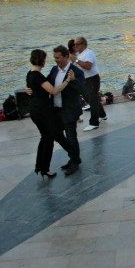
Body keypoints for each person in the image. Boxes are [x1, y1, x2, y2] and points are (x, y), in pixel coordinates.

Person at [27, 49, 75, 178]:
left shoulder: (30, 74)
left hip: (35, 111)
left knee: (47, 138)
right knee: (48, 140)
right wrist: (67, 80)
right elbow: (53, 91)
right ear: (41, 60)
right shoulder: (37, 76)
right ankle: (44, 168)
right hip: (43, 112)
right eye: (45, 58)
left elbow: (33, 89)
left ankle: (41, 167)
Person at [47, 45, 87, 176]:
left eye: (58, 57)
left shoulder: (76, 71)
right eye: (54, 57)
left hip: (69, 110)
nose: (56, 60)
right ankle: (74, 157)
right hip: (56, 110)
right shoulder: (54, 70)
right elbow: (46, 84)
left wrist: (74, 80)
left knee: (71, 137)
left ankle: (74, 162)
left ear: (65, 56)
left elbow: (82, 90)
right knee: (58, 136)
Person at [71, 37, 107, 131]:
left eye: (77, 44)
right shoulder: (78, 54)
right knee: (92, 99)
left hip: (92, 79)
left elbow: (88, 66)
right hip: (84, 80)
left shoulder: (89, 53)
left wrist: (76, 60)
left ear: (83, 44)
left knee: (93, 100)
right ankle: (102, 115)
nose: (75, 46)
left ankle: (94, 123)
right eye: (74, 44)